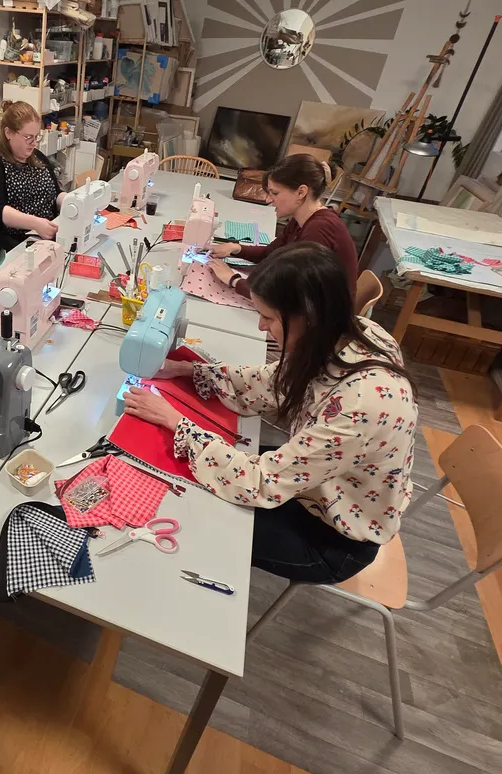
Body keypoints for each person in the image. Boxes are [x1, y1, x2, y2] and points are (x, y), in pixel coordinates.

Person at [123, 243, 418, 584]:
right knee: (199, 472)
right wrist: (194, 372)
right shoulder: (359, 333)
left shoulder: (358, 409)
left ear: (306, 316)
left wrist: (175, 421)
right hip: (318, 487)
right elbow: (276, 382)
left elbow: (259, 482)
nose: (262, 327)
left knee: (189, 514)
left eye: (268, 317)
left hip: (330, 537)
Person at [209, 154, 359, 300]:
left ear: (301, 192)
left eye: (275, 193)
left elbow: (288, 298)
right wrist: (235, 248)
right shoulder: (300, 220)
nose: (268, 200)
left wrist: (233, 280)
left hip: (324, 317)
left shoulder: (319, 230)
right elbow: (270, 253)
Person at [0, 100, 66, 254]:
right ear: (8, 133)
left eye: (37, 137)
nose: (33, 143)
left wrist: (73, 201)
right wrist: (35, 224)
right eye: (28, 137)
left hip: (37, 237)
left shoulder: (37, 158)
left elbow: (55, 193)